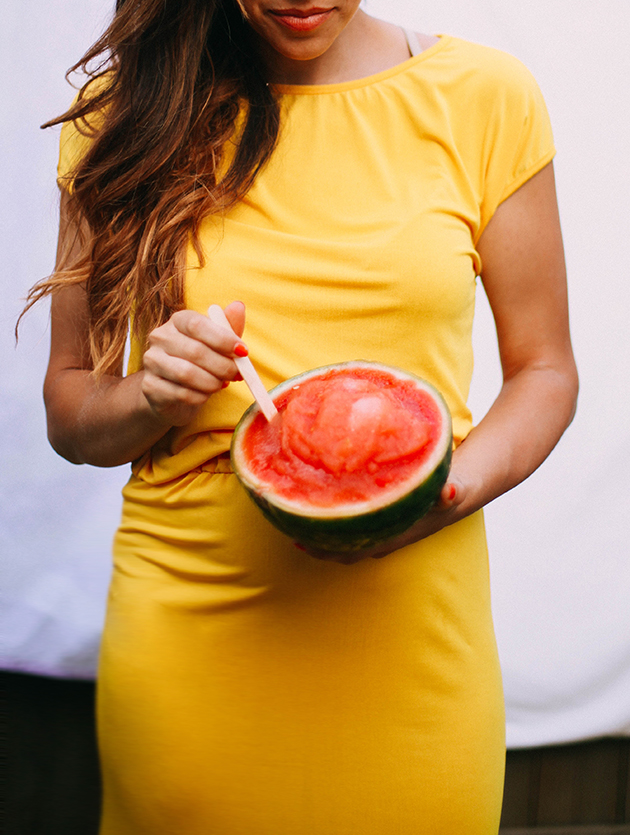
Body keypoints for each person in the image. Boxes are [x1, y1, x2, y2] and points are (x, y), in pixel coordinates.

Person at [24, 1, 579, 832]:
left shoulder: (485, 97)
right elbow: (70, 412)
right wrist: (147, 392)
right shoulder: (125, 114)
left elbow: (546, 371)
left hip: (412, 634)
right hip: (192, 628)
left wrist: (440, 491)